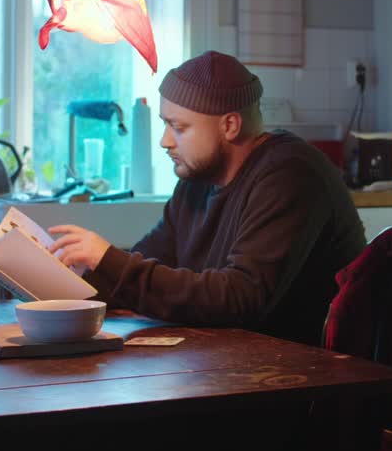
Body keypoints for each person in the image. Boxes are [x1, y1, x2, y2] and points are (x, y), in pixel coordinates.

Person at [48, 50, 367, 345]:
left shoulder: (291, 174)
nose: (164, 141)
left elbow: (240, 299)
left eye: (179, 127)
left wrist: (109, 260)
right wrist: (60, 281)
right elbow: (148, 267)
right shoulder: (196, 181)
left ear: (230, 125)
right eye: (165, 124)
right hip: (231, 366)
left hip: (306, 383)